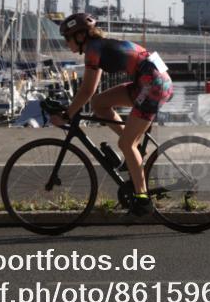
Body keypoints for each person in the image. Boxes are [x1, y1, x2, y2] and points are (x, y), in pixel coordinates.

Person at [53, 13, 174, 216]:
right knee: (99, 103)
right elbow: (92, 95)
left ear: (81, 36)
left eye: (68, 39)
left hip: (153, 84)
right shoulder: (98, 47)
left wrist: (67, 115)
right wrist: (71, 110)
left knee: (126, 144)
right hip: (148, 80)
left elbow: (86, 90)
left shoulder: (93, 50)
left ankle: (143, 199)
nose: (67, 44)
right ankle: (135, 152)